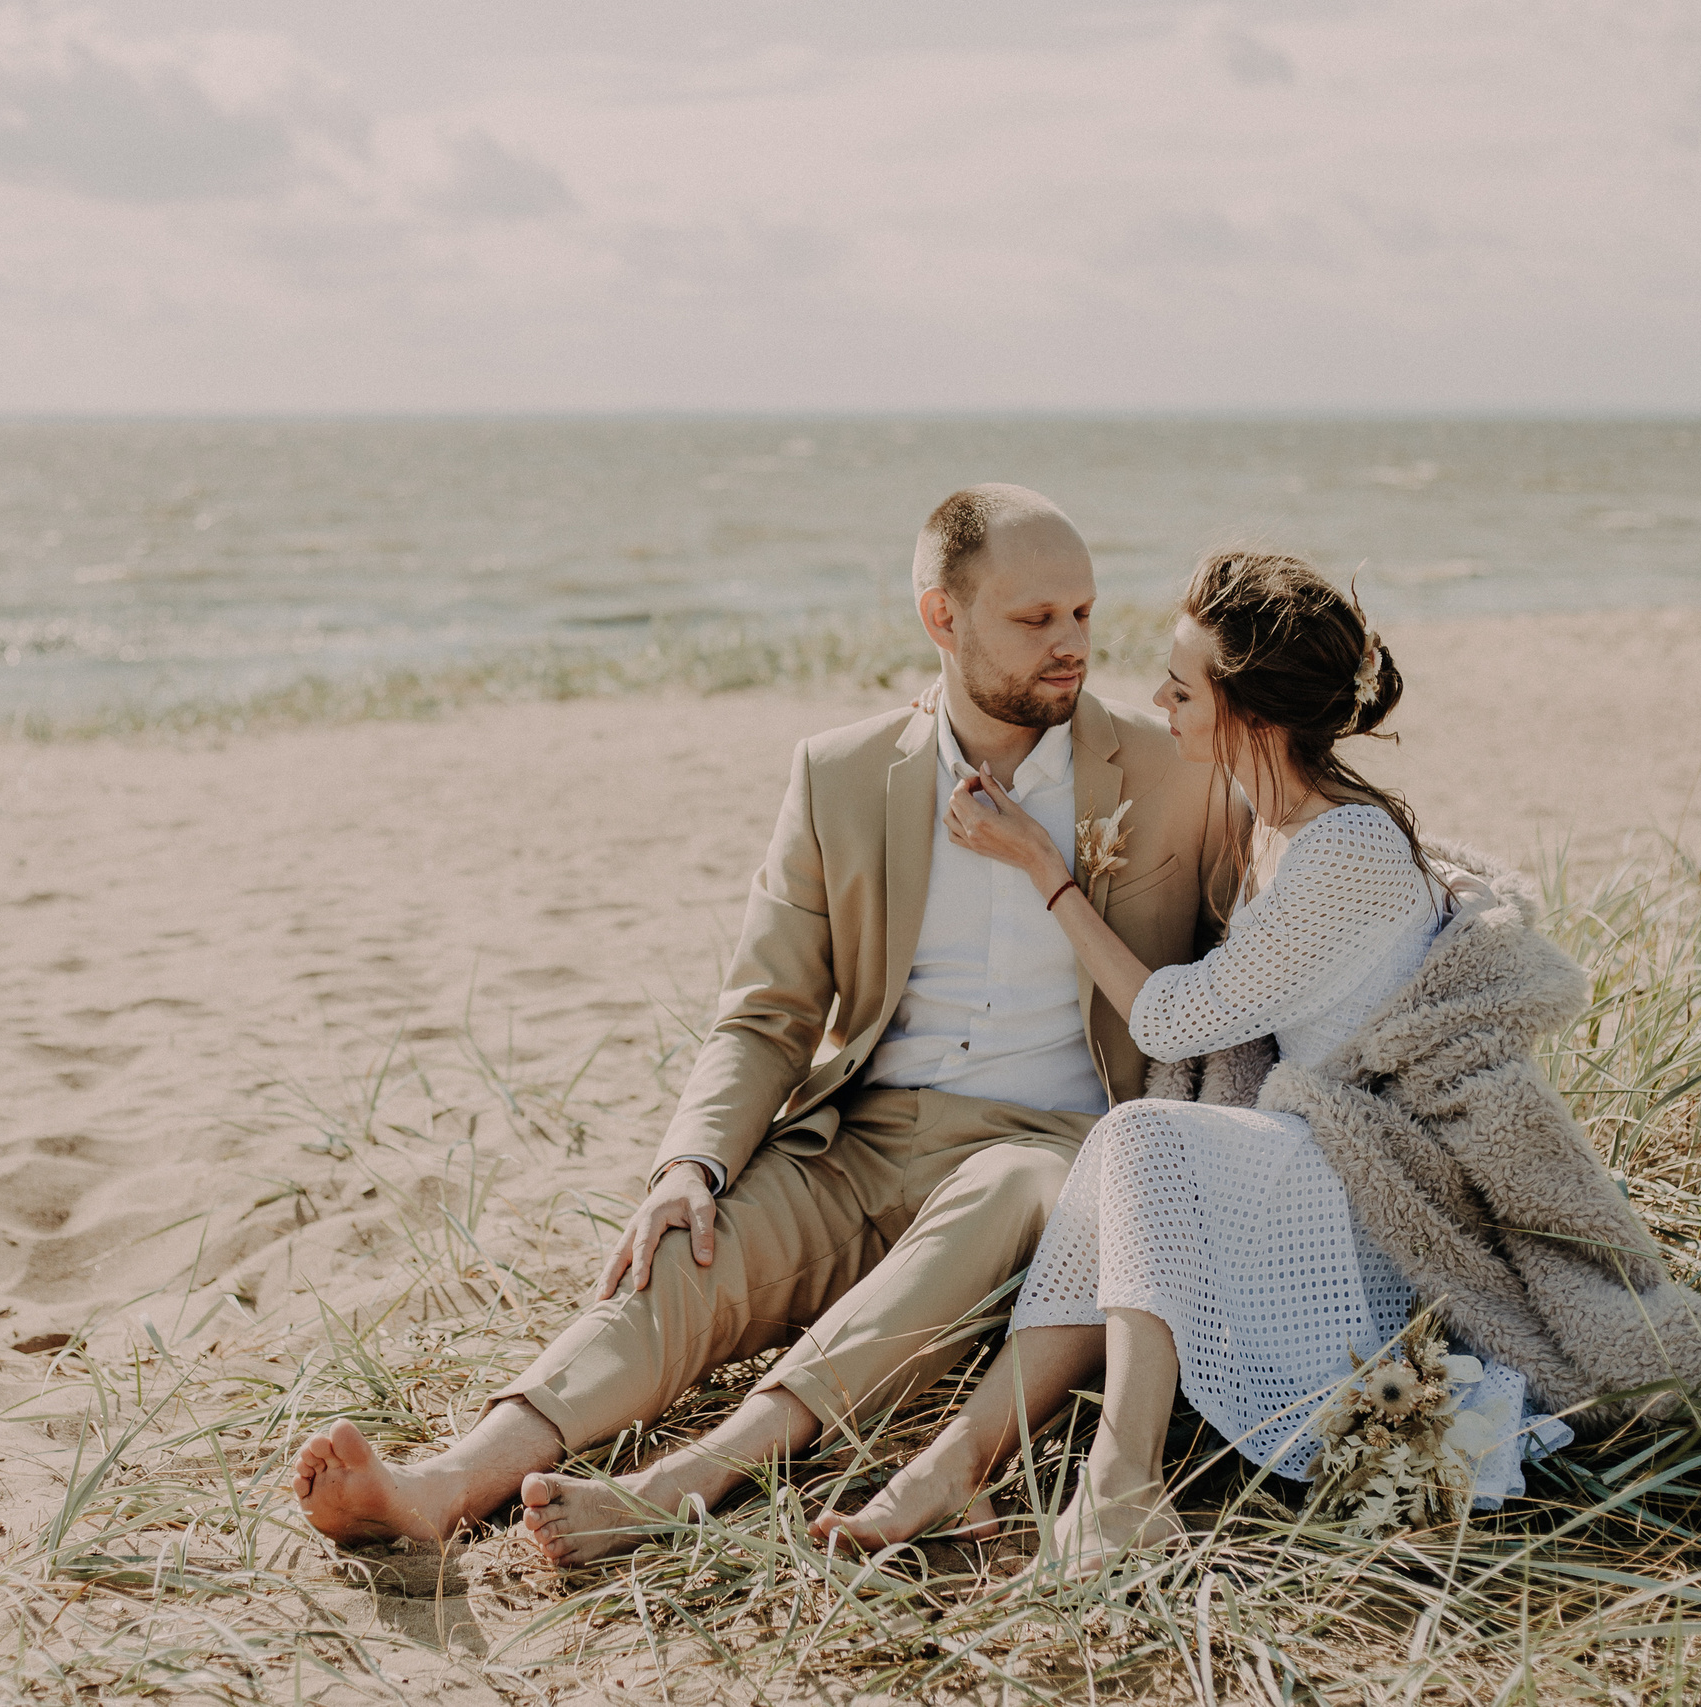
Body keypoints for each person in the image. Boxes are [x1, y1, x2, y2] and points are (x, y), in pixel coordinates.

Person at [289, 485, 1238, 1564]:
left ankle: (688, 1481)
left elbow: (1257, 944)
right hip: (862, 1138)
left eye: (1082, 612)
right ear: (941, 617)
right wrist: (687, 1163)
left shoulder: (1170, 774)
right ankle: (445, 1482)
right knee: (683, 1250)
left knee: (1013, 1183)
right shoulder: (838, 775)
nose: (1071, 646)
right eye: (1036, 621)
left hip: (1052, 1157)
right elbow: (767, 1010)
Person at [810, 551, 1666, 1562]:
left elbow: (1173, 1023)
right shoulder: (1268, 823)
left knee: (1141, 1140)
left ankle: (1118, 1482)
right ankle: (953, 1467)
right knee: (1113, 1179)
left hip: (1365, 1195)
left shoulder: (1347, 849)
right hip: (1294, 1156)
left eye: (1180, 688)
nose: (1158, 702)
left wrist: (1046, 872)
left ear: (1249, 714)